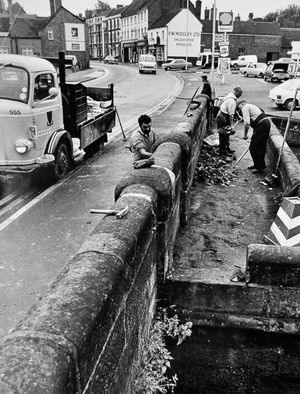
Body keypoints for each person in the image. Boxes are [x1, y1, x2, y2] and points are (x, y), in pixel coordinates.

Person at [236, 100, 271, 174]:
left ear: (241, 104)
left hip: (262, 125)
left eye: (238, 107)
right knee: (256, 146)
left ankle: (260, 167)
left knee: (255, 147)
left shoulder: (245, 107)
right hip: (262, 124)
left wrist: (245, 135)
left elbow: (247, 123)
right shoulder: (252, 105)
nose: (239, 110)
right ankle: (257, 165)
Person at [216, 86, 243, 156]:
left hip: (222, 115)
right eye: (240, 94)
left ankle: (227, 148)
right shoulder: (232, 101)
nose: (240, 95)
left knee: (227, 133)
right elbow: (231, 115)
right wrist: (231, 126)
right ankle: (222, 151)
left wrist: (238, 115)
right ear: (236, 92)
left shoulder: (230, 96)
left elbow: (232, 110)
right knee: (223, 134)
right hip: (223, 117)